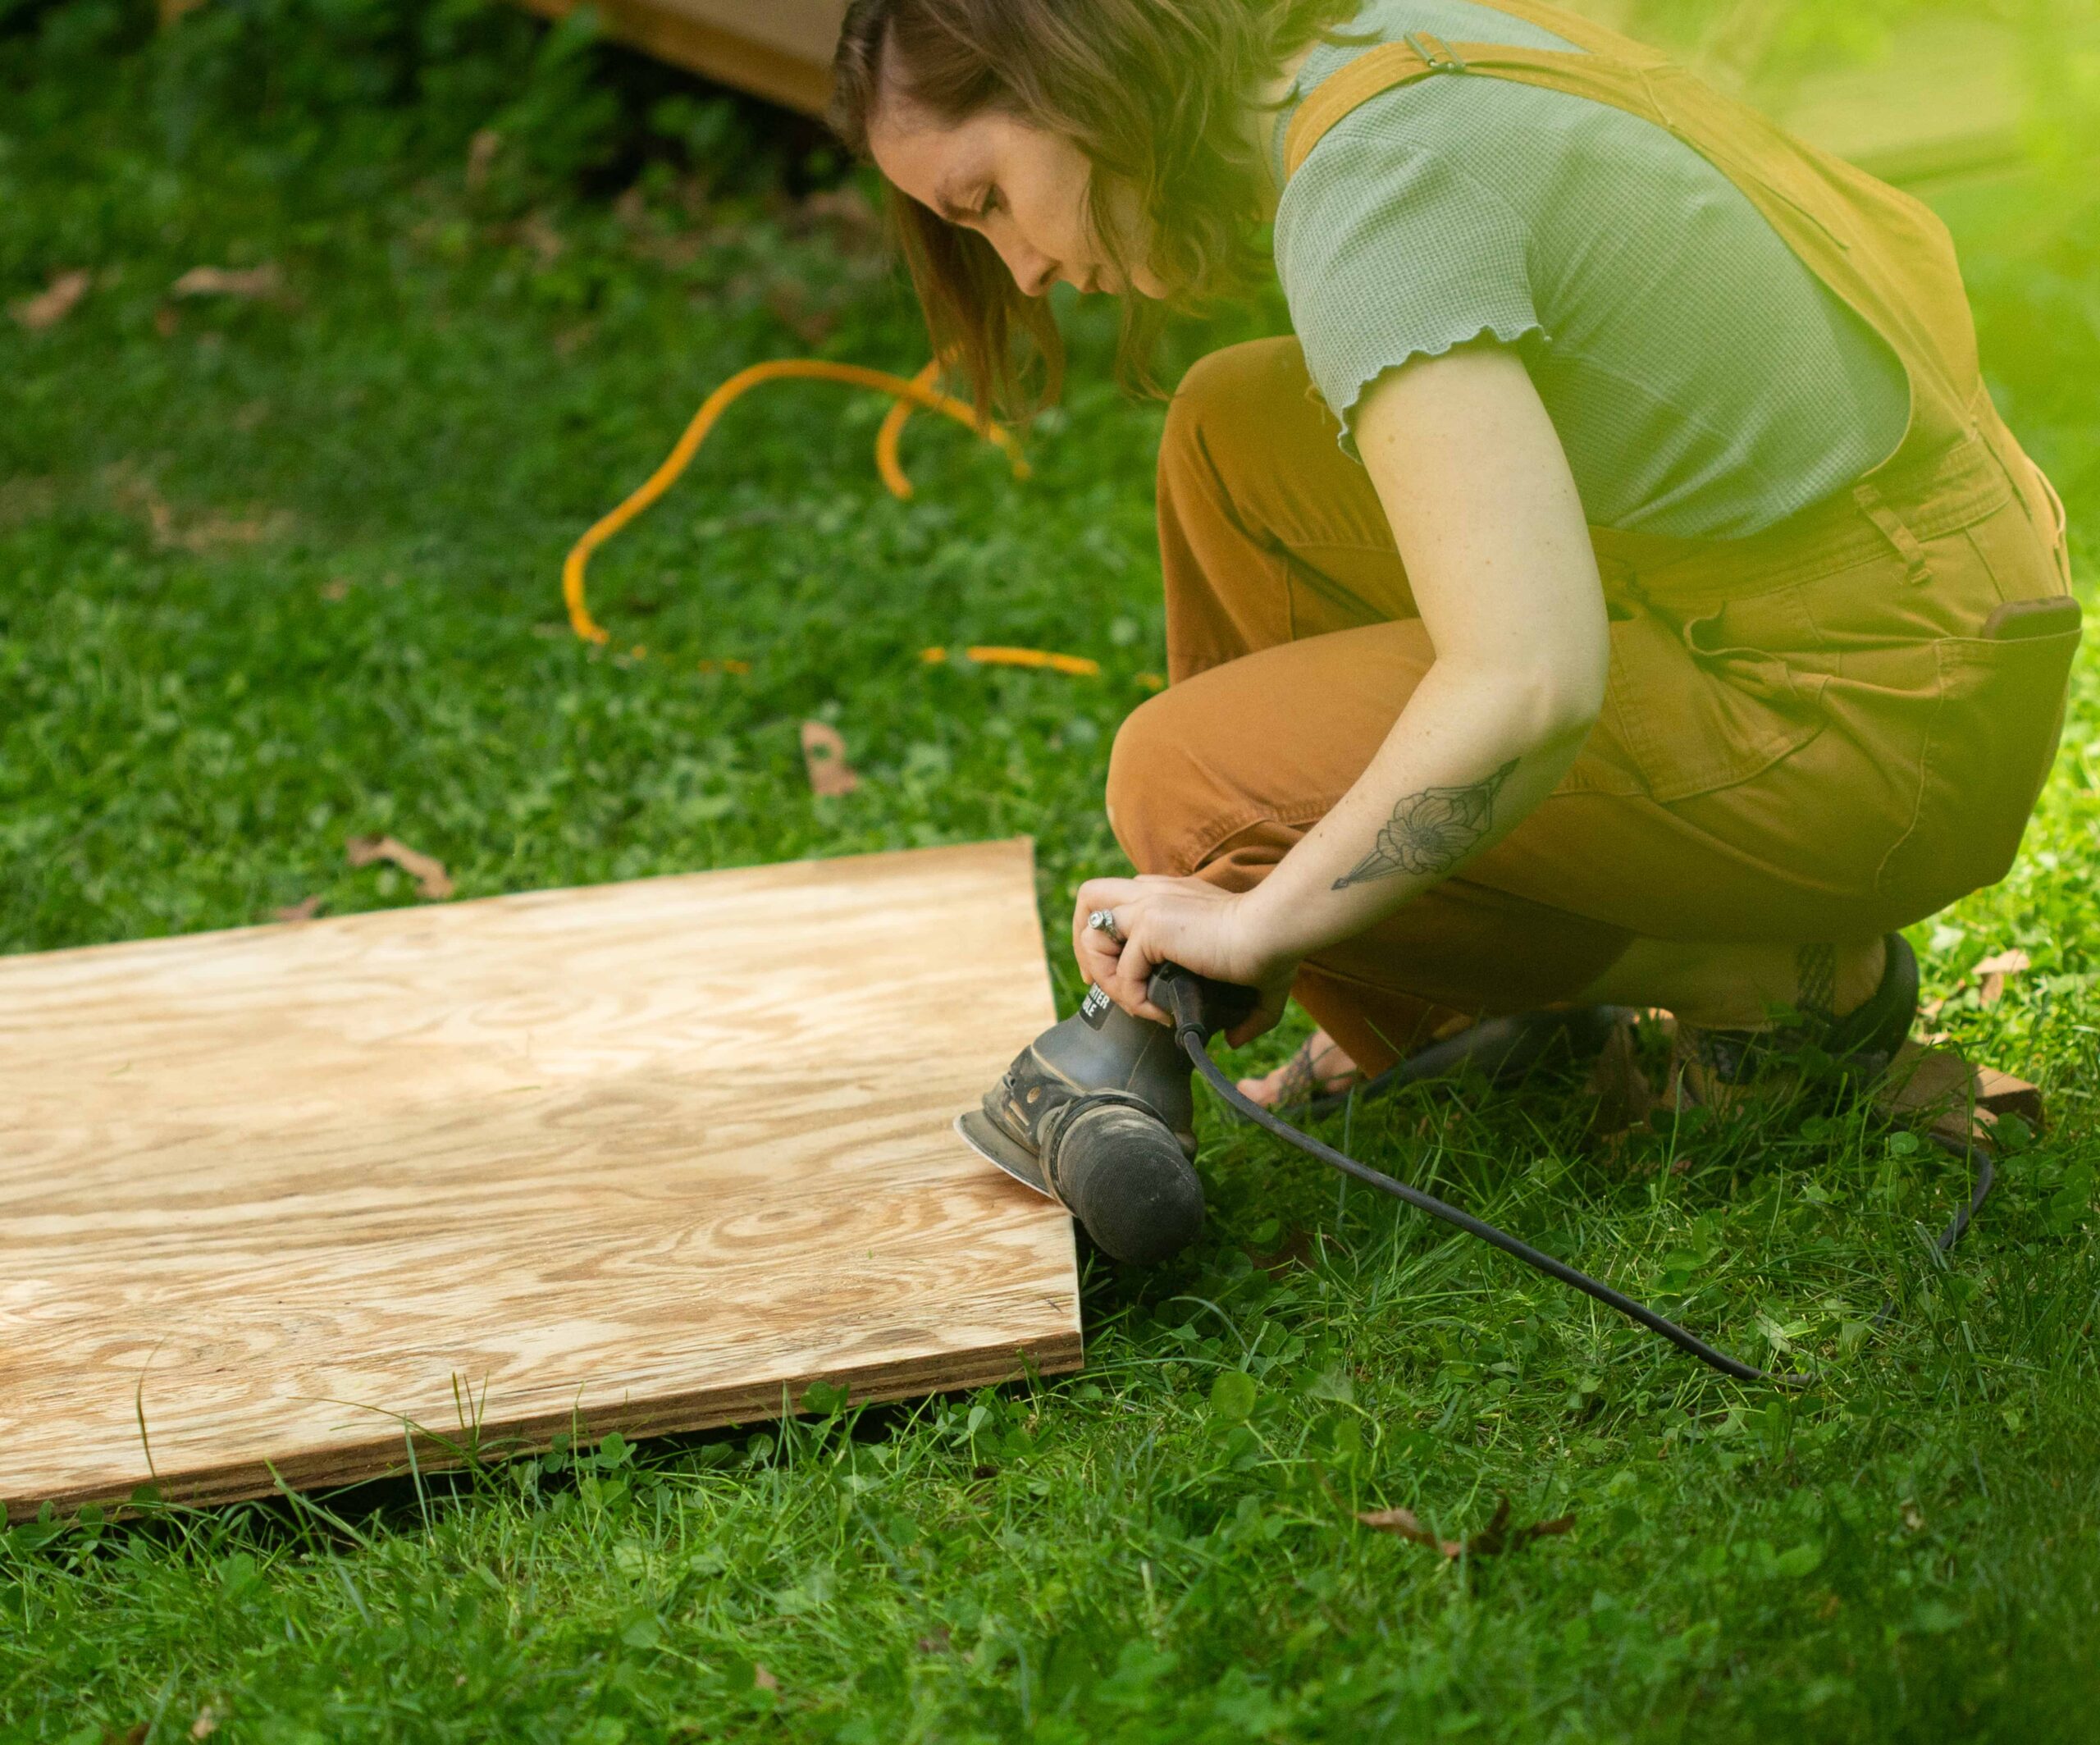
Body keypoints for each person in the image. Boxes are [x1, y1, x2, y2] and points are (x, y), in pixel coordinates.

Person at [831, 0, 2078, 1109]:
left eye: (988, 198)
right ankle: (1462, 1022)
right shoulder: (1370, 45)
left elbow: (1528, 682)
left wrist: (1265, 916)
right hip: (1934, 601)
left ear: (1075, 62)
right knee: (1230, 436)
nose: (1026, 274)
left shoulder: (1377, 189)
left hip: (1888, 720)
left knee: (1190, 795)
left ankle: (1770, 981)